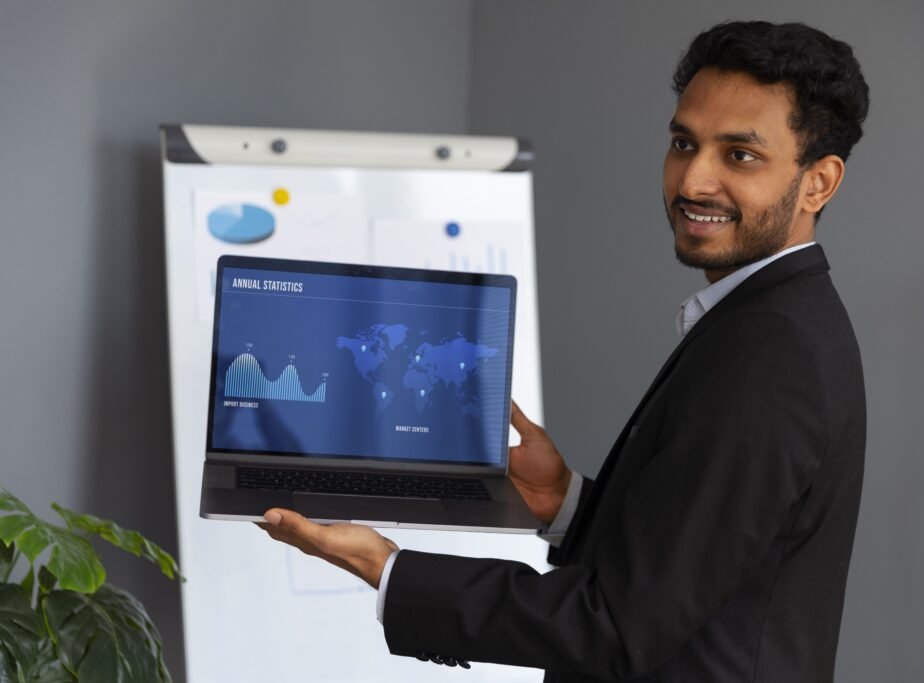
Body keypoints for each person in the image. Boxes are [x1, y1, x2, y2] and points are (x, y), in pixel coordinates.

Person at [259, 20, 870, 682]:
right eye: (682, 143)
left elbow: (616, 626)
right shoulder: (771, 322)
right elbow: (688, 564)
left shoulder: (772, 352)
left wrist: (386, 567)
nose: (693, 180)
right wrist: (565, 501)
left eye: (740, 155)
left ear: (819, 182)